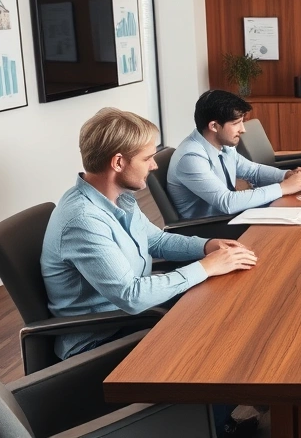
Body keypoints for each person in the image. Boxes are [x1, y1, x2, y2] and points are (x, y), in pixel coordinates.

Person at [41, 108, 260, 437]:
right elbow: (131, 297)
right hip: (102, 337)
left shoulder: (118, 199)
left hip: (131, 317)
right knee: (214, 334)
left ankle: (218, 420)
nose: (155, 165)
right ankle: (210, 425)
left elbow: (156, 240)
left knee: (228, 311)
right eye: (147, 158)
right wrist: (205, 268)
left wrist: (207, 246)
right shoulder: (82, 220)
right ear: (118, 163)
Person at [168, 90, 301, 219]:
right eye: (236, 123)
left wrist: (286, 176)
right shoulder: (191, 157)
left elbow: (253, 171)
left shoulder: (223, 145)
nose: (243, 129)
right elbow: (227, 202)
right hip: (211, 227)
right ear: (214, 126)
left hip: (233, 216)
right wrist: (283, 188)